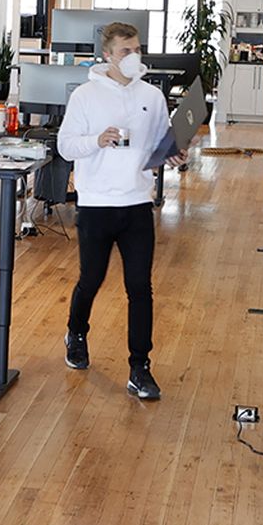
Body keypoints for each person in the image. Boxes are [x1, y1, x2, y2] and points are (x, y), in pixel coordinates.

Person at [54, 22, 186, 401]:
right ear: (107, 56)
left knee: (139, 287)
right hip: (97, 204)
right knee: (91, 280)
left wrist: (174, 155)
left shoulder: (152, 95)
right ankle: (76, 333)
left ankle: (140, 367)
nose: (134, 57)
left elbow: (163, 143)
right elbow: (65, 147)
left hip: (138, 203)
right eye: (126, 51)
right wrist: (97, 140)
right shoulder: (85, 96)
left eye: (137, 50)